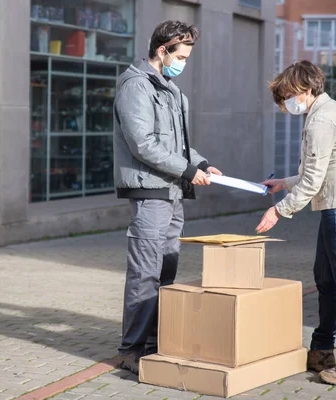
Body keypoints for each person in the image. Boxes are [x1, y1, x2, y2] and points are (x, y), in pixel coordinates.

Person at [256, 60, 336, 385]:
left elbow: (313, 180)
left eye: (287, 97)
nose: (286, 105)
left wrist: (278, 211)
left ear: (306, 90)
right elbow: (319, 171)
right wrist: (283, 182)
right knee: (325, 279)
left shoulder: (321, 119)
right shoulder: (325, 111)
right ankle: (322, 350)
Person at [112, 20, 221, 374]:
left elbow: (177, 145)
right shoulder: (136, 87)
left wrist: (200, 162)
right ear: (163, 51)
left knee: (167, 270)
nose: (184, 63)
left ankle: (160, 341)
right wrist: (188, 170)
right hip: (150, 191)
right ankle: (131, 349)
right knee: (145, 272)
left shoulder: (171, 90)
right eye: (182, 56)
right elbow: (143, 143)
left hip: (172, 191)